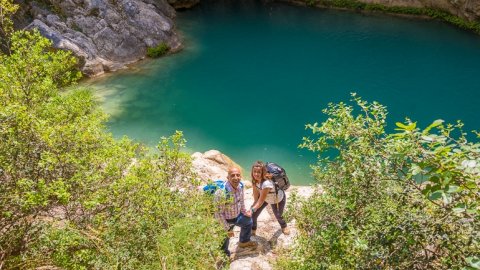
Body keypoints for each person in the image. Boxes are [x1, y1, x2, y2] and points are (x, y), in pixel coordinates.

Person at [214, 166, 258, 257]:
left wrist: (245, 212)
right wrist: (227, 228)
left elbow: (241, 201)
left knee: (248, 222)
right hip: (226, 220)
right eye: (232, 175)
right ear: (228, 177)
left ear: (240, 177)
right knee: (224, 239)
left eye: (238, 175)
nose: (236, 178)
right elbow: (218, 213)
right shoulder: (221, 193)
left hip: (237, 215)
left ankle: (244, 241)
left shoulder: (241, 186)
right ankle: (224, 255)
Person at [250, 161, 289, 236]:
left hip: (277, 199)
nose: (256, 174)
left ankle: (284, 226)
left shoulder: (266, 183)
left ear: (263, 173)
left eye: (259, 172)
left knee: (278, 215)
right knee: (254, 214)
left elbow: (260, 202)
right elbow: (255, 190)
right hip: (265, 198)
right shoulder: (254, 180)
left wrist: (251, 210)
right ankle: (253, 228)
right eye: (254, 171)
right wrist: (254, 202)